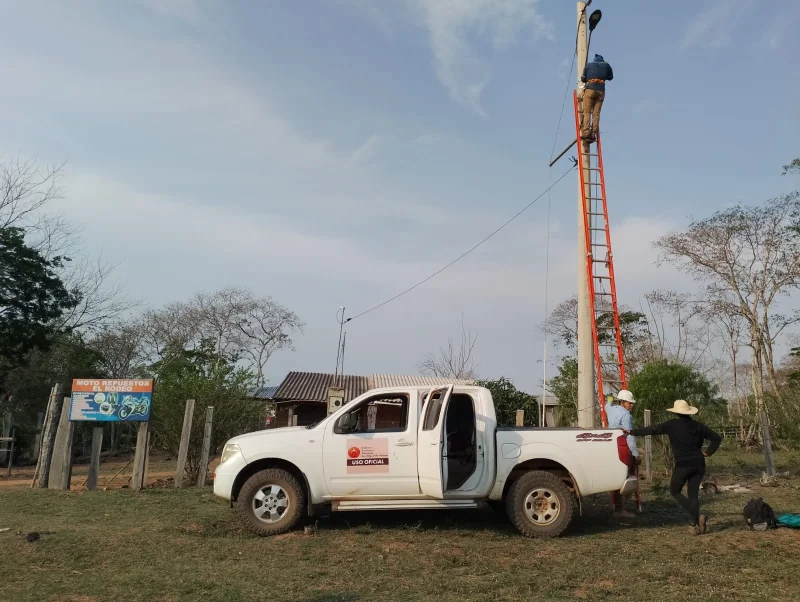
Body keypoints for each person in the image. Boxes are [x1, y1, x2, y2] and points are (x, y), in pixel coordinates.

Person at [626, 400, 722, 535]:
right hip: (699, 463)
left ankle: (694, 518)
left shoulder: (671, 425)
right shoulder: (698, 426)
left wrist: (631, 432)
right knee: (693, 494)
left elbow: (652, 430)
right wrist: (708, 452)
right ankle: (693, 524)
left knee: (674, 491)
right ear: (689, 412)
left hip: (683, 465)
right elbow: (716, 438)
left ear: (676, 412)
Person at [606, 390, 638, 518]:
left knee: (615, 477)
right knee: (626, 478)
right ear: (623, 402)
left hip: (611, 447)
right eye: (630, 403)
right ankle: (620, 509)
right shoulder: (626, 416)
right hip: (623, 448)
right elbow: (629, 436)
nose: (631, 405)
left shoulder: (611, 410)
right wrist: (635, 454)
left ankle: (615, 505)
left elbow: (606, 407)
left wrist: (609, 400)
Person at [580, 53, 613, 142]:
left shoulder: (589, 65)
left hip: (590, 89)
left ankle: (586, 132)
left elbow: (583, 79)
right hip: (600, 91)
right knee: (596, 114)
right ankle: (593, 133)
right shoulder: (607, 65)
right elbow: (610, 77)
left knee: (587, 112)